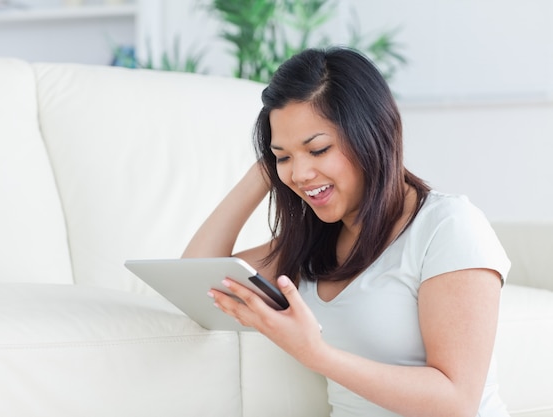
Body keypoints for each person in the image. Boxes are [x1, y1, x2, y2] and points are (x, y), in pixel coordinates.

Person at [182, 47, 511, 417]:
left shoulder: (447, 226)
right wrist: (265, 170)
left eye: (318, 149)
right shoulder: (314, 243)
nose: (300, 174)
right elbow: (196, 278)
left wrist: (317, 355)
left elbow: (456, 401)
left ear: (371, 135)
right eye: (284, 157)